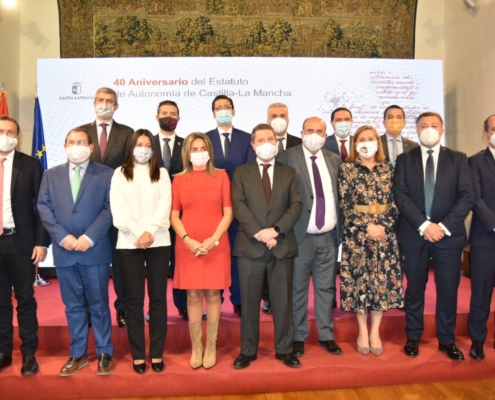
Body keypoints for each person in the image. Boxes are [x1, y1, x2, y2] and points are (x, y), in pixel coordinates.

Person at [393, 111, 474, 361]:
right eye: (423, 125)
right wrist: (424, 225)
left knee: (448, 289)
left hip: (448, 238)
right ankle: (413, 337)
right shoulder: (405, 159)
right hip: (414, 234)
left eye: (434, 125)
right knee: (415, 289)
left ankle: (447, 340)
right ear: (416, 130)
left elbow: (467, 195)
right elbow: (400, 195)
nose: (429, 129)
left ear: (442, 129)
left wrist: (443, 227)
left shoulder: (458, 159)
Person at [37, 127, 115, 376]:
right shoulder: (50, 175)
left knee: (100, 304)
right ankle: (78, 353)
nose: (76, 146)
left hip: (95, 250)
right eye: (71, 142)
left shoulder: (107, 174)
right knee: (72, 306)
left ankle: (104, 351)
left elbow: (109, 208)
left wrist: (90, 237)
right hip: (65, 251)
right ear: (64, 146)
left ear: (91, 147)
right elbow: (44, 208)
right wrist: (62, 238)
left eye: (81, 142)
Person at [232, 124, 302, 369]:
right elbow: (239, 205)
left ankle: (285, 349)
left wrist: (276, 230)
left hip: (281, 245)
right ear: (253, 145)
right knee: (249, 303)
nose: (266, 143)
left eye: (270, 138)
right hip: (251, 246)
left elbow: (296, 204)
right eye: (260, 139)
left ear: (277, 142)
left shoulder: (289, 172)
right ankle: (248, 351)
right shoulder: (241, 172)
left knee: (283, 302)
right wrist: (261, 234)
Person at [278, 117, 342, 357]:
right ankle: (299, 337)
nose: (315, 135)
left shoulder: (334, 160)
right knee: (298, 289)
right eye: (310, 131)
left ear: (325, 135)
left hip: (329, 237)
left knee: (326, 289)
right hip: (300, 236)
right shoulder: (287, 157)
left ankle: (326, 335)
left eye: (320, 131)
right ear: (302, 132)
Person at [338, 125, 404, 356]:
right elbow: (345, 204)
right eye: (362, 139)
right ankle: (362, 331)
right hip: (358, 236)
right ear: (355, 144)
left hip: (384, 236)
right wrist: (367, 226)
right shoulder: (347, 169)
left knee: (380, 282)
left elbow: (397, 201)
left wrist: (382, 226)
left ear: (379, 142)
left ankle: (375, 330)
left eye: (371, 138)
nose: (367, 143)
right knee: (360, 282)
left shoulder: (389, 169)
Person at [110, 129, 172, 374]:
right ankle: (138, 354)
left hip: (159, 241)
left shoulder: (162, 173)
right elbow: (119, 209)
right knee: (134, 301)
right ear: (131, 147)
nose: (144, 148)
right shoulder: (119, 173)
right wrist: (138, 232)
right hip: (129, 243)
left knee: (158, 300)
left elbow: (164, 205)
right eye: (139, 144)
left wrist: (151, 231)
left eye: (148, 144)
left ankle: (156, 352)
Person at [171, 132, 233, 370]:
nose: (199, 153)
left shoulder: (221, 176)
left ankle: (211, 346)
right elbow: (174, 216)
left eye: (202, 148)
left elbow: (228, 212)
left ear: (209, 150)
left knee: (213, 295)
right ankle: (197, 346)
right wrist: (187, 239)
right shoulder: (178, 180)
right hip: (188, 245)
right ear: (187, 153)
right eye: (194, 149)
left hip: (215, 245)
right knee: (193, 295)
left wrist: (213, 240)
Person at [80, 87, 134, 328]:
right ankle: (90, 311)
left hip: (119, 209)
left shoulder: (127, 133)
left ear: (116, 106)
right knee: (89, 265)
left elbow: (131, 170)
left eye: (109, 101)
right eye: (101, 100)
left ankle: (122, 309)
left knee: (120, 265)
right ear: (94, 103)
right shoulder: (82, 133)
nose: (105, 104)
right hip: (89, 211)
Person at [0, 116, 49, 376]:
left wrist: (42, 241)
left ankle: (29, 352)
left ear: (18, 136)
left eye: (11, 132)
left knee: (25, 299)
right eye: (1, 131)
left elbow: (41, 206)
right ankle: (3, 351)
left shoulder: (30, 164)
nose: (6, 135)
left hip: (21, 241)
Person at [205, 95, 255, 316]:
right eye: (219, 108)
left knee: (237, 256)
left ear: (233, 112)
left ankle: (238, 299)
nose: (223, 111)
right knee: (214, 256)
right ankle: (215, 298)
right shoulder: (204, 140)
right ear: (213, 113)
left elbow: (250, 172)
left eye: (227, 107)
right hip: (211, 208)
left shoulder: (247, 139)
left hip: (239, 208)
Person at [263, 102, 302, 314]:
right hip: (266, 213)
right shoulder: (260, 142)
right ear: (268, 119)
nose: (278, 118)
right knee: (267, 259)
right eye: (274, 115)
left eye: (282, 115)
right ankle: (268, 298)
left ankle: (290, 298)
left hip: (293, 212)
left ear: (288, 118)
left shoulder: (300, 143)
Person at [152, 100, 187, 320]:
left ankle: (183, 305)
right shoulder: (146, 145)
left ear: (178, 118)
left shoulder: (187, 145)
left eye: (173, 113)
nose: (168, 117)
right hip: (152, 215)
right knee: (156, 266)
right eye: (164, 113)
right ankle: (157, 310)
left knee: (180, 263)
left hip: (181, 215)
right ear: (157, 117)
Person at [467, 114, 495, 360]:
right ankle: (477, 339)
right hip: (485, 238)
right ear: (486, 133)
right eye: (494, 128)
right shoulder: (474, 161)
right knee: (481, 291)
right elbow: (474, 197)